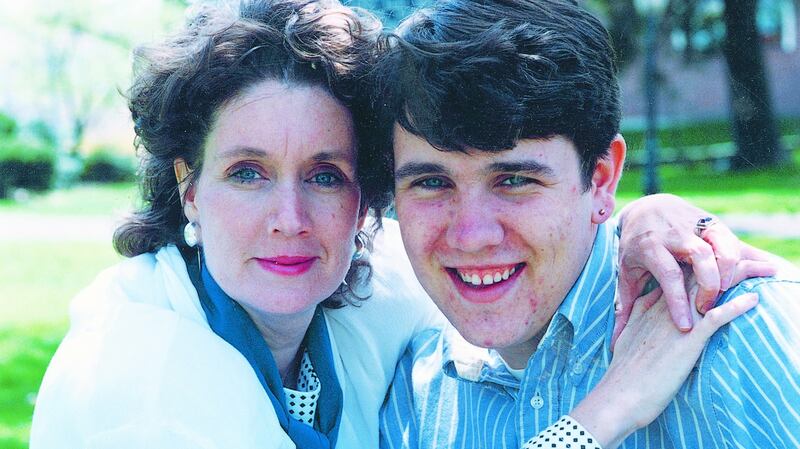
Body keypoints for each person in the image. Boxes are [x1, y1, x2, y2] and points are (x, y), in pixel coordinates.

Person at [28, 0, 776, 448]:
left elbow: (480, 250)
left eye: (326, 174)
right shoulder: (144, 391)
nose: (290, 220)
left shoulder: (374, 307)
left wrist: (649, 218)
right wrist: (604, 414)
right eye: (247, 172)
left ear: (366, 200)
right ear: (188, 187)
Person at [373, 0, 800, 448]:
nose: (471, 236)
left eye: (515, 180)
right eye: (431, 182)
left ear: (601, 180)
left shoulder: (738, 337)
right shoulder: (415, 392)